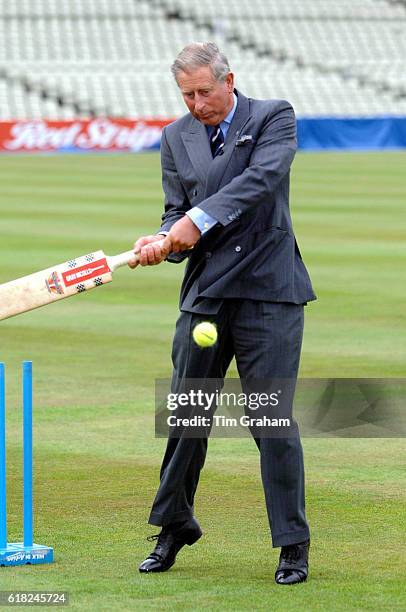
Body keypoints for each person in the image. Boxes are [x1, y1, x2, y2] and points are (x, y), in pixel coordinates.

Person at [131, 42, 316, 585]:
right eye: (186, 94)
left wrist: (196, 219)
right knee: (187, 415)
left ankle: (292, 543)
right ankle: (173, 526)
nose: (195, 104)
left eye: (204, 92)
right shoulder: (175, 135)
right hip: (206, 295)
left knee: (269, 419)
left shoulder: (273, 116)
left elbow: (260, 183)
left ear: (229, 80)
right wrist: (167, 237)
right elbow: (174, 208)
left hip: (268, 292)